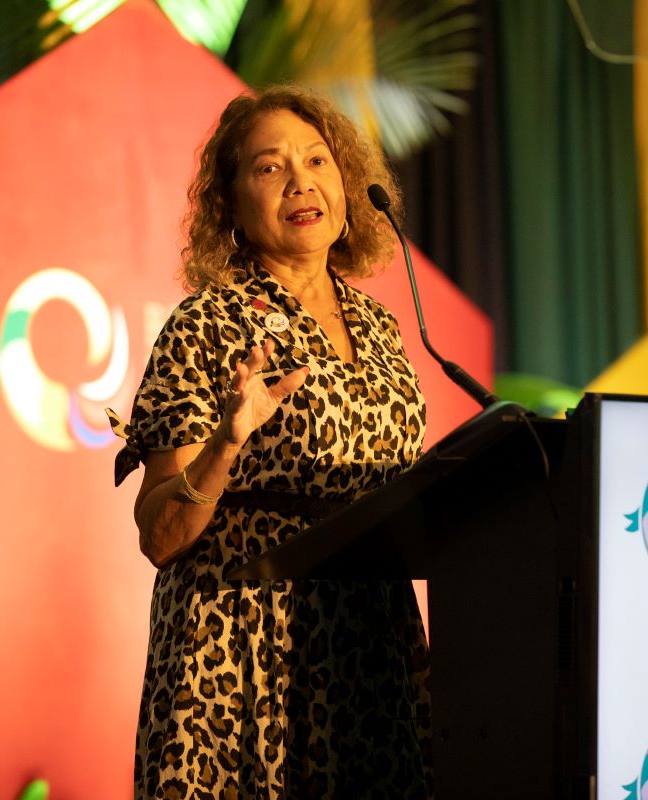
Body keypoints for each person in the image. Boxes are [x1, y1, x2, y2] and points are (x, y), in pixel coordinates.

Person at [109, 85, 431, 799]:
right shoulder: (206, 324)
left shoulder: (381, 329)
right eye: (269, 167)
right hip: (240, 647)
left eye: (317, 160)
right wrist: (226, 442)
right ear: (233, 203)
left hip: (366, 645)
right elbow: (159, 537)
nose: (300, 181)